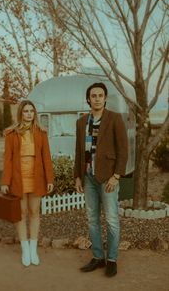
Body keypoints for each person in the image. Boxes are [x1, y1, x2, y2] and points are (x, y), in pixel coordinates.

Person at [74, 82, 128, 277]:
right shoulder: (81, 122)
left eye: (100, 95)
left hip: (107, 178)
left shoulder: (114, 119)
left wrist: (116, 176)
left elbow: (124, 150)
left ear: (105, 98)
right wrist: (78, 177)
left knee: (112, 220)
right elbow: (79, 152)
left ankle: (112, 259)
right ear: (88, 99)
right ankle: (98, 257)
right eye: (93, 95)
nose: (96, 98)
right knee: (92, 219)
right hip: (88, 177)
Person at [0, 100, 54, 267]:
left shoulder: (41, 133)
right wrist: (5, 181)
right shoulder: (11, 133)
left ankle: (33, 249)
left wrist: (50, 179)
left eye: (31, 111)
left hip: (36, 177)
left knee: (34, 211)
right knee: (21, 213)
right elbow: (7, 159)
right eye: (26, 111)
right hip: (18, 178)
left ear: (34, 113)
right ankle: (25, 249)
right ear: (20, 114)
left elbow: (46, 157)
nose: (29, 114)